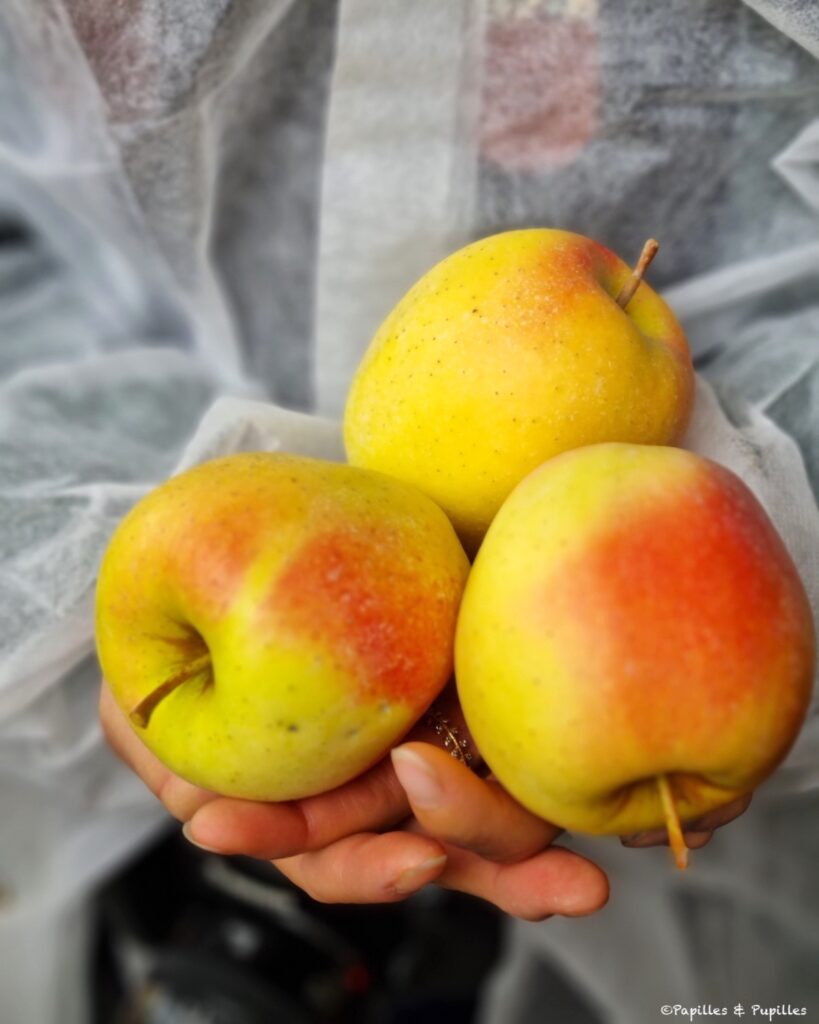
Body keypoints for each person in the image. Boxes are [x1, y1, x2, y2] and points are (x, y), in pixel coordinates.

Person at [1, 1, 817, 1022]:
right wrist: (79, 536)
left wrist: (752, 546)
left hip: (591, 665)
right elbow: (34, 219)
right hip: (183, 662)